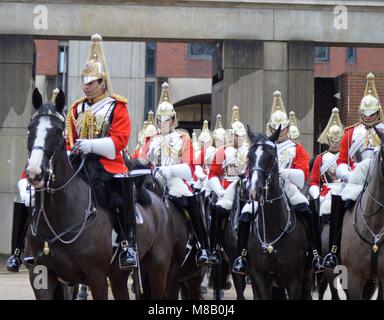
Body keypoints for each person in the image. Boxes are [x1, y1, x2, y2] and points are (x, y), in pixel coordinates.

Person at [65, 34, 136, 269]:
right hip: (79, 162)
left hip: (108, 163)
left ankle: (126, 245)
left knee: (117, 196)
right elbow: (69, 140)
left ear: (102, 83)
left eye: (91, 81)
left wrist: (92, 145)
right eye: (84, 80)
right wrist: (72, 151)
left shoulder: (117, 106)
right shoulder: (76, 108)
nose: (86, 85)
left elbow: (120, 141)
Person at [142, 82, 210, 266]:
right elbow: (141, 161)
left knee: (190, 198)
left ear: (173, 120)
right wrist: (147, 156)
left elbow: (188, 169)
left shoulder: (183, 138)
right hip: (153, 179)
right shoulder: (151, 140)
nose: (162, 123)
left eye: (166, 119)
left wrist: (170, 170)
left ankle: (202, 245)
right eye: (159, 119)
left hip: (174, 179)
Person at [324, 73, 384, 269]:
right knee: (337, 199)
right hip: (356, 181)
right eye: (365, 114)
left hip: (381, 178)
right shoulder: (350, 133)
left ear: (378, 112)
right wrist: (348, 174)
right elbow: (341, 161)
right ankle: (333, 250)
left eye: (372, 114)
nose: (368, 118)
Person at [265, 90, 324, 273]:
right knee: (244, 214)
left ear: (288, 129)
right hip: (266, 190)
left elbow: (302, 176)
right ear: (270, 128)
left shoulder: (296, 148)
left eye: (283, 128)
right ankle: (242, 256)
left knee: (306, 210)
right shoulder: (264, 146)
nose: (280, 132)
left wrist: (282, 172)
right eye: (276, 128)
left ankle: (315, 253)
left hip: (289, 189)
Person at [207, 106, 249, 268]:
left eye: (239, 135)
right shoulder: (221, 152)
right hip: (227, 188)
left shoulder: (250, 150)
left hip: (245, 187)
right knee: (218, 210)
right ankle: (215, 248)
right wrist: (219, 190)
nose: (236, 138)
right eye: (234, 135)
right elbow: (212, 175)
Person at [309, 108, 344, 269]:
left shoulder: (346, 157)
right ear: (327, 140)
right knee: (315, 214)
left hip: (343, 190)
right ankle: (316, 250)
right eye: (332, 140)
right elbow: (314, 181)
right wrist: (316, 193)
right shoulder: (320, 159)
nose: (335, 144)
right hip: (325, 193)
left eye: (338, 141)